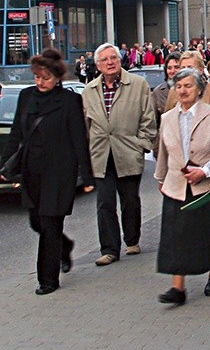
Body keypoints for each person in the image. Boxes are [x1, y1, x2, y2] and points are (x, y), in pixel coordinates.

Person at [0, 49, 95, 295]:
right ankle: (65, 246)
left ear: (57, 77)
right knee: (36, 222)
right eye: (37, 77)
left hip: (60, 171)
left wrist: (86, 175)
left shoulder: (69, 100)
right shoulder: (26, 96)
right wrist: (4, 166)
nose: (40, 82)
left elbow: (79, 139)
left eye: (45, 78)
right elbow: (16, 136)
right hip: (32, 171)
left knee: (50, 223)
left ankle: (48, 279)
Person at [154, 68, 210, 305]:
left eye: (188, 86)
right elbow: (163, 152)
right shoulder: (167, 118)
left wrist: (205, 171)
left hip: (208, 185)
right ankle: (178, 288)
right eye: (179, 86)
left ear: (199, 89)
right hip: (177, 184)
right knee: (175, 235)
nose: (183, 91)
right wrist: (160, 179)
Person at [82, 43, 157, 267]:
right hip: (101, 154)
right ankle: (109, 249)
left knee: (130, 201)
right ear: (97, 65)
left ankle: (132, 239)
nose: (110, 62)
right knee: (104, 203)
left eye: (113, 57)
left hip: (128, 152)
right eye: (104, 60)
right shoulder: (89, 91)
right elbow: (85, 125)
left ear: (120, 59)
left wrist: (141, 145)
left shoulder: (137, 85)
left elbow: (148, 118)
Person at [152, 51, 181, 133]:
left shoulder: (192, 89)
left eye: (176, 67)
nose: (173, 71)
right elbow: (154, 122)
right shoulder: (158, 92)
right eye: (169, 68)